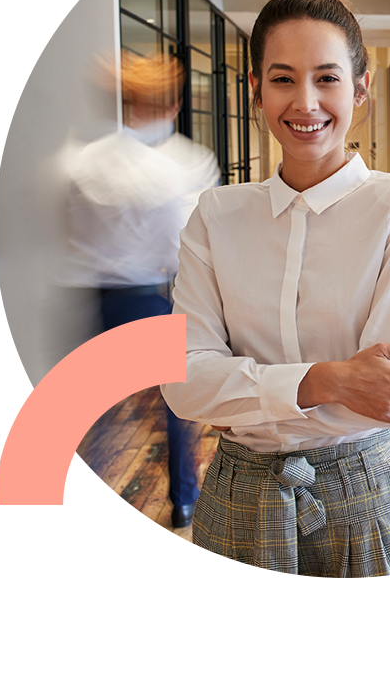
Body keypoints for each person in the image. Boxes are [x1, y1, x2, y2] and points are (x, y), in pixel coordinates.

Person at [162, 0, 390, 578]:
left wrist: (245, 390)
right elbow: (182, 384)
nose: (305, 103)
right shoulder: (216, 214)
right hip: (237, 502)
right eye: (283, 79)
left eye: (328, 79)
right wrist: (329, 379)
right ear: (257, 89)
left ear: (360, 89)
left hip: (364, 498)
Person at [64, 51, 220, 530]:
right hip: (155, 297)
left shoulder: (83, 161)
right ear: (174, 106)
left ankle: (79, 510)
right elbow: (184, 247)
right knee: (176, 405)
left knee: (95, 413)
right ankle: (184, 501)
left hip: (97, 299)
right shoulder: (185, 167)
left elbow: (71, 232)